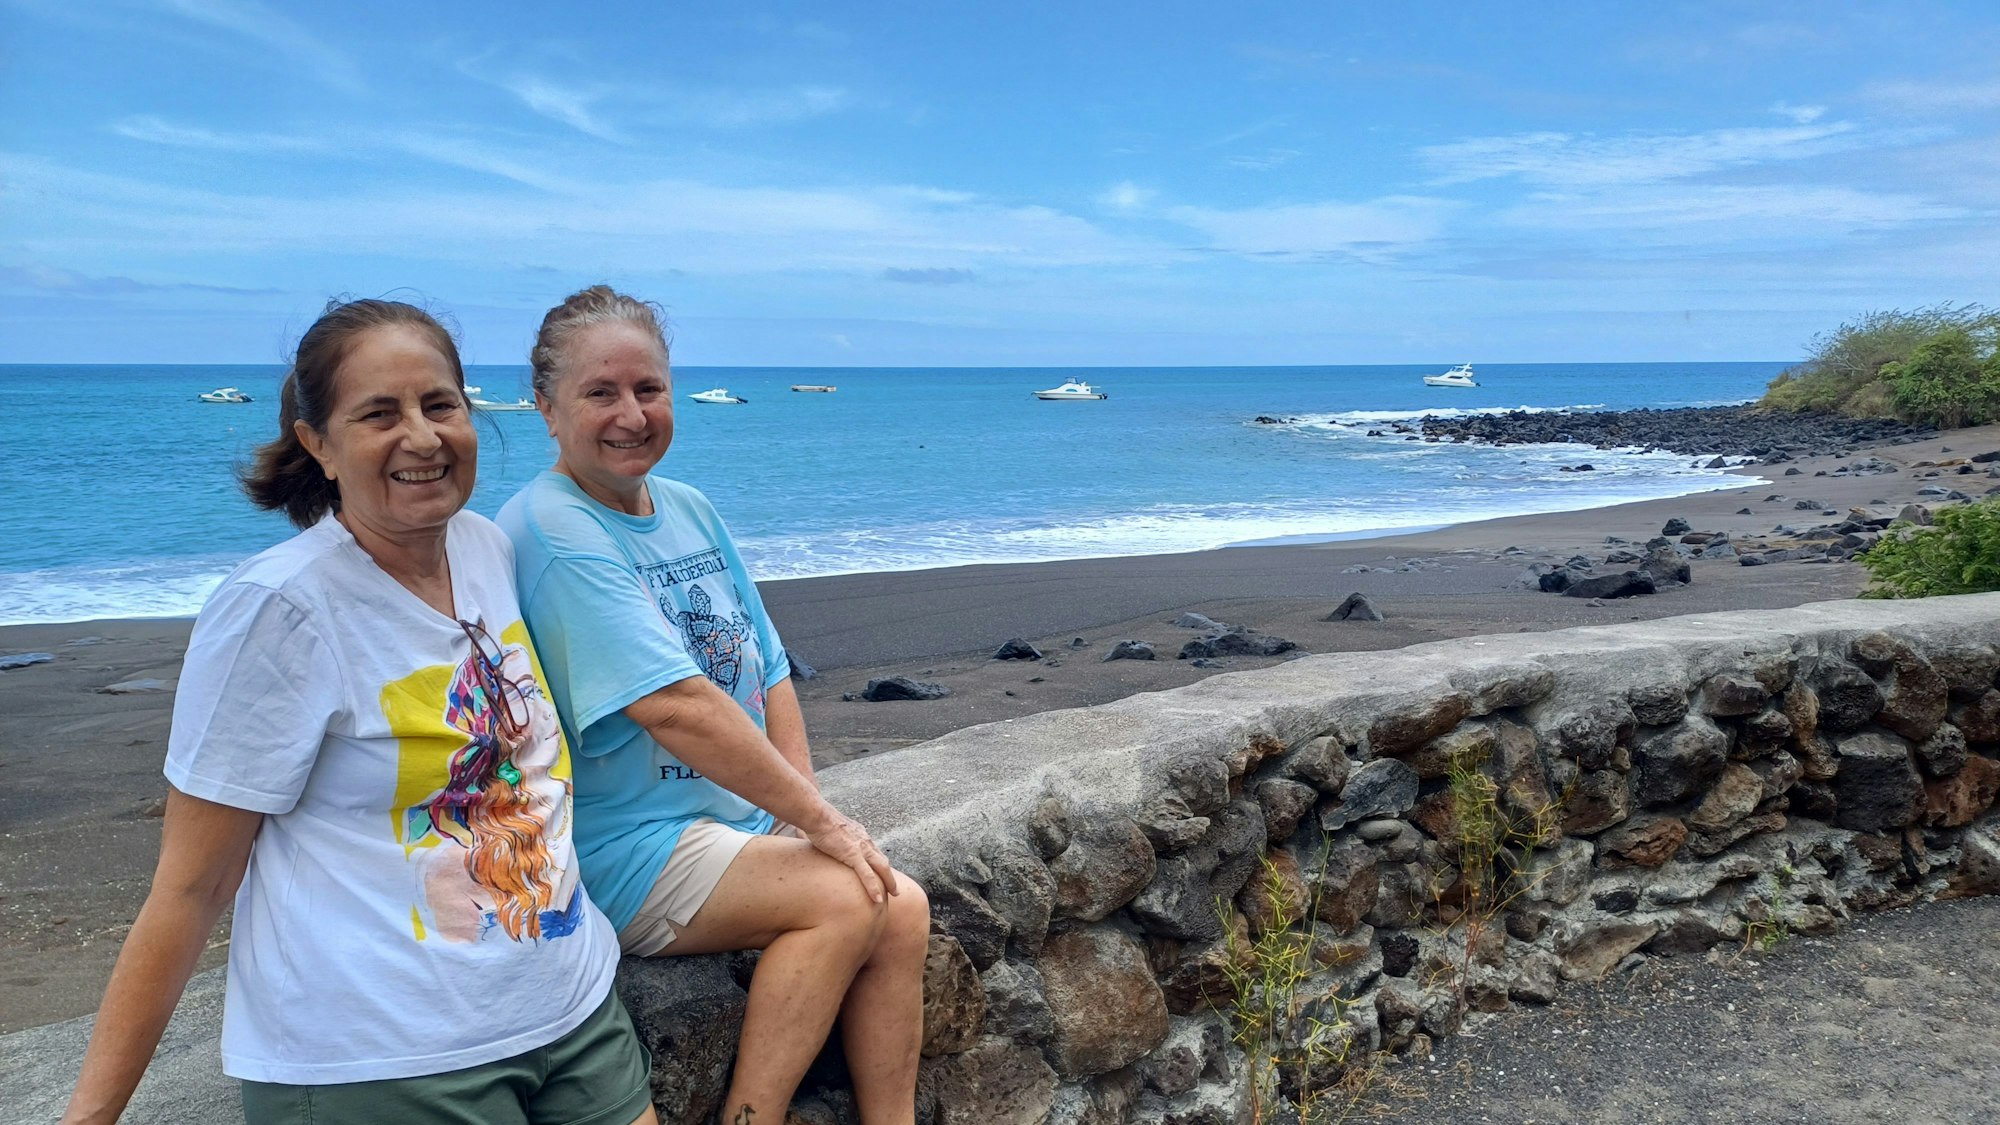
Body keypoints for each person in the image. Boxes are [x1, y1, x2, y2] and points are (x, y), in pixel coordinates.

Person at [61, 299, 654, 1125]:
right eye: (379, 414)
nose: (422, 437)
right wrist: (90, 1114)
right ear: (317, 442)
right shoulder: (281, 609)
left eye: (440, 404)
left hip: (573, 1014)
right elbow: (193, 886)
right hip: (384, 1063)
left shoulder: (488, 548)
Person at [497, 286, 929, 1125]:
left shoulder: (689, 506)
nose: (631, 413)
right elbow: (676, 707)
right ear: (548, 409)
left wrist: (802, 816)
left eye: (648, 389)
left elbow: (767, 669)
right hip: (624, 848)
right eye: (600, 393)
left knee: (902, 909)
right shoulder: (551, 528)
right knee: (848, 895)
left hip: (723, 825)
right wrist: (828, 830)